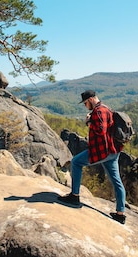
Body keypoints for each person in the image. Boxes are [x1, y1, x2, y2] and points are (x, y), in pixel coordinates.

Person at [58, 90, 127, 224]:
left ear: (90, 100)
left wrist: (89, 122)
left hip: (101, 151)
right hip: (113, 151)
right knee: (116, 181)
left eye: (85, 103)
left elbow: (101, 130)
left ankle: (75, 196)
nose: (85, 106)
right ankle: (120, 214)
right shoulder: (106, 108)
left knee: (76, 162)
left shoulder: (99, 111)